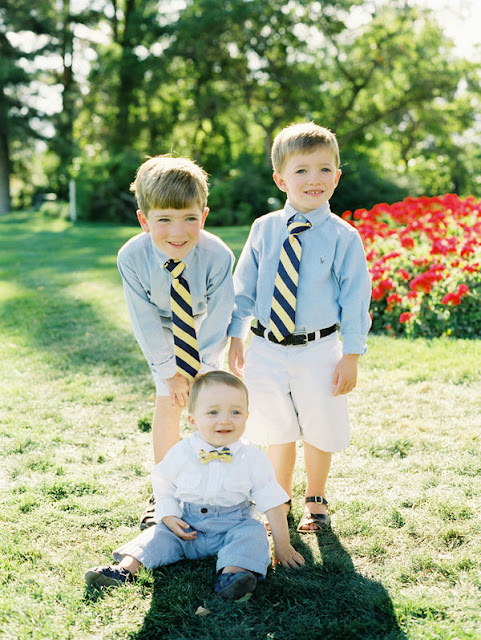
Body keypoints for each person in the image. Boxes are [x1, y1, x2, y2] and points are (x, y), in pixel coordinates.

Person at [228, 122, 371, 533]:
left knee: (320, 424)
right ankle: (280, 497)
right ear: (281, 179)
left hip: (319, 348)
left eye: (325, 169)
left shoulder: (343, 237)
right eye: (302, 170)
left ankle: (316, 499)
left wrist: (351, 354)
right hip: (267, 347)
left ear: (337, 177)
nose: (314, 179)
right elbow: (244, 287)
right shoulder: (264, 229)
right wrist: (236, 334)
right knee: (277, 426)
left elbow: (356, 299)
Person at [85, 371, 305, 601]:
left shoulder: (252, 457)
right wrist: (170, 516)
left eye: (235, 412)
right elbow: (163, 483)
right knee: (159, 535)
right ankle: (124, 570)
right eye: (213, 412)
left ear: (247, 417)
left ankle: (233, 576)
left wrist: (283, 546)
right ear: (192, 421)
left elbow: (271, 501)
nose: (225, 420)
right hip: (188, 526)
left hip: (234, 525)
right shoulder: (182, 452)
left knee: (253, 532)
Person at [117, 155, 235, 528]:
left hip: (204, 330)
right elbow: (144, 321)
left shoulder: (218, 255)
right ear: (144, 220)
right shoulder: (132, 257)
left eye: (189, 218)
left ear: (204, 215)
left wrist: (201, 371)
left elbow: (219, 316)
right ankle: (164, 492)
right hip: (162, 330)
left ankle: (218, 490)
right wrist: (170, 373)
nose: (178, 231)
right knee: (169, 403)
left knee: (212, 407)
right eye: (164, 220)